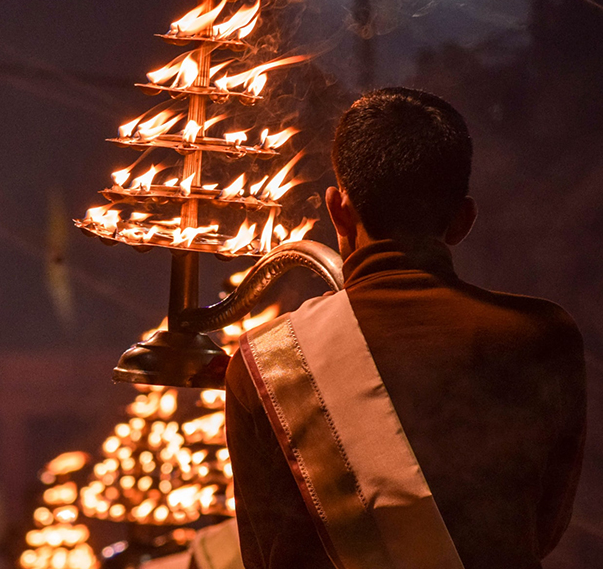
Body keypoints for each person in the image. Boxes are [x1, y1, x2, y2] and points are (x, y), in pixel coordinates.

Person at [224, 88, 585, 569]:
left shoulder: (264, 361)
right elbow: (544, 527)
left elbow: (262, 552)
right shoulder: (542, 338)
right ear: (463, 221)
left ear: (337, 210)